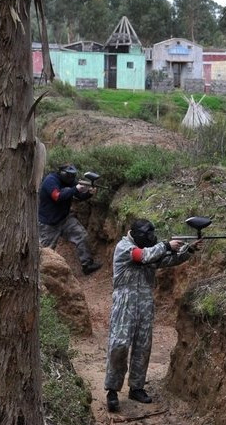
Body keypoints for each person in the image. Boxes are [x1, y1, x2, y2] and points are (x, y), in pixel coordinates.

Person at [103, 218, 201, 412]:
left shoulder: (148, 248)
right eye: (147, 236)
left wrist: (188, 250)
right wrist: (166, 245)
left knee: (143, 345)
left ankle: (136, 388)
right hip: (125, 302)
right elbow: (144, 256)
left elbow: (167, 260)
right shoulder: (124, 247)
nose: (150, 239)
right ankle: (112, 391)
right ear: (136, 234)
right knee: (119, 344)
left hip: (145, 302)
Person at [38, 163, 101, 275]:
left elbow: (78, 196)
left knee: (81, 236)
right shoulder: (50, 181)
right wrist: (75, 189)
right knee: (45, 251)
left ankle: (87, 264)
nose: (72, 179)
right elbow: (57, 196)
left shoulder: (69, 181)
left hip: (65, 219)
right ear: (62, 174)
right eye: (69, 176)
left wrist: (89, 193)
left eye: (73, 176)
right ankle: (40, 275)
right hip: (49, 224)